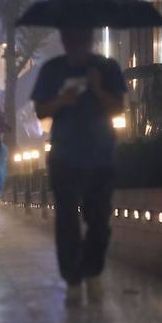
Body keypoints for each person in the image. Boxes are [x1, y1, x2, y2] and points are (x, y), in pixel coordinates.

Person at [31, 28, 126, 306]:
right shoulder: (53, 69)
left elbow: (118, 108)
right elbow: (41, 110)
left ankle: (93, 271)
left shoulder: (107, 68)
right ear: (64, 41)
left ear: (90, 40)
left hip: (101, 155)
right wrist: (62, 100)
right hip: (64, 155)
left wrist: (97, 88)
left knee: (99, 219)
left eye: (82, 39)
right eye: (72, 39)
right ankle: (73, 280)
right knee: (67, 221)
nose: (77, 45)